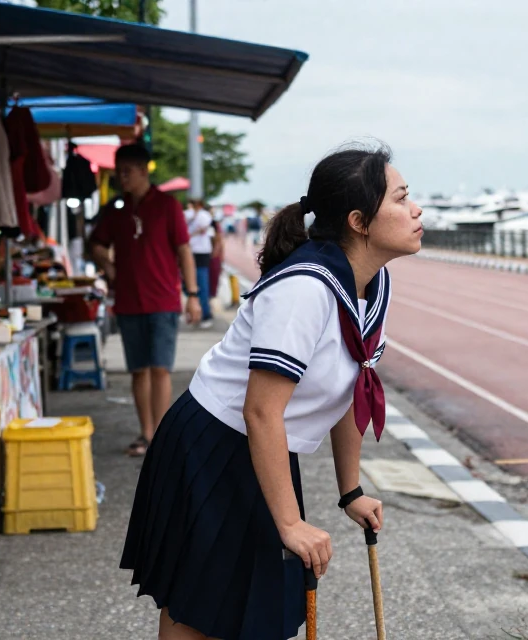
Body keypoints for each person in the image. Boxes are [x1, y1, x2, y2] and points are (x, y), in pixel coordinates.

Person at [120, 143, 424, 640]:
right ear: (358, 221)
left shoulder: (372, 284)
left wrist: (351, 491)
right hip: (213, 447)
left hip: (264, 450)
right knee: (202, 610)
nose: (415, 210)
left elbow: (354, 381)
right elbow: (260, 411)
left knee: (258, 608)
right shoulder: (304, 288)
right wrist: (290, 522)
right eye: (401, 198)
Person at [88, 144, 202, 457]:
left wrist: (193, 295)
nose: (121, 177)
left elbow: (184, 251)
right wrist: (108, 265)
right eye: (118, 171)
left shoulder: (167, 206)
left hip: (163, 299)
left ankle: (161, 437)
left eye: (126, 171)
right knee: (138, 370)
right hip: (127, 300)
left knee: (160, 369)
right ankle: (146, 433)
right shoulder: (116, 209)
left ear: (142, 171)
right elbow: (95, 244)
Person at [183, 199, 215, 329]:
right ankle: (196, 311)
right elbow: (183, 223)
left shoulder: (204, 215)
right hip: (189, 251)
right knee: (187, 283)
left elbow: (203, 228)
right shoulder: (188, 214)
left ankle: (205, 313)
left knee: (202, 284)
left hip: (202, 253)